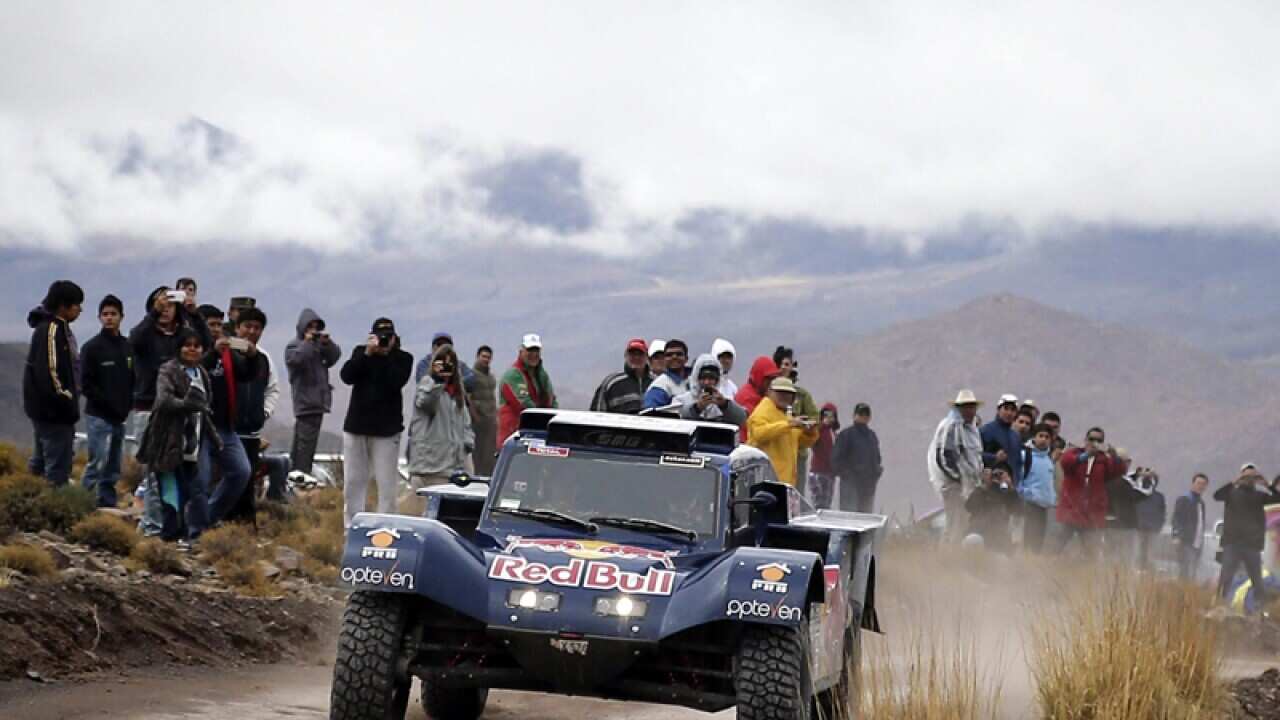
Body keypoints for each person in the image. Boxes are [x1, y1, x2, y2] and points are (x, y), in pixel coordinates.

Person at [129, 286, 213, 535]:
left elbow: (205, 343)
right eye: (161, 305)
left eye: (170, 305)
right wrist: (153, 314)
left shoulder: (181, 336)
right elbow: (134, 341)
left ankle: (170, 526)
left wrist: (194, 314)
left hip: (180, 413)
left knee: (177, 474)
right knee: (154, 472)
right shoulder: (147, 333)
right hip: (149, 407)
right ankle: (153, 527)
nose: (166, 310)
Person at [340, 318, 414, 527]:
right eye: (380, 336)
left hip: (386, 430)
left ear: (394, 338)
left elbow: (395, 382)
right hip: (357, 427)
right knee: (353, 482)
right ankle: (352, 527)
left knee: (387, 484)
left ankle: (386, 528)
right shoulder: (361, 353)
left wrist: (386, 355)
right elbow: (347, 376)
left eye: (388, 337)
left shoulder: (403, 359)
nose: (384, 340)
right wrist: (367, 354)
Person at [196, 305, 262, 527]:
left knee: (241, 472)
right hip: (200, 426)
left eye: (219, 324)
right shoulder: (192, 347)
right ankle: (193, 526)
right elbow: (194, 373)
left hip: (225, 426)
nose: (216, 329)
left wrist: (252, 357)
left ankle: (209, 517)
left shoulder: (227, 352)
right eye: (211, 324)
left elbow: (246, 374)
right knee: (202, 478)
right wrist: (212, 353)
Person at [23, 280, 84, 487]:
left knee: (41, 463)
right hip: (54, 412)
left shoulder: (56, 329)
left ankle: (31, 498)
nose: (79, 310)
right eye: (76, 305)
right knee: (57, 468)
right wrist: (66, 396)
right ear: (63, 306)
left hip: (48, 411)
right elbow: (50, 371)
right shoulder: (51, 330)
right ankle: (52, 502)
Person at [79, 294, 135, 507]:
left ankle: (106, 500)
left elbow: (133, 378)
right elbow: (86, 384)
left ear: (121, 316)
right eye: (105, 314)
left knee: (113, 463)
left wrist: (127, 405)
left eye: (113, 314)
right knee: (98, 460)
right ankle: (82, 501)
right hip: (98, 416)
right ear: (99, 317)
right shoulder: (91, 348)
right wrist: (107, 405)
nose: (109, 318)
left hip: (120, 416)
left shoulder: (127, 347)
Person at [232, 307, 280, 516]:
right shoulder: (225, 354)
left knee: (248, 479)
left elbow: (273, 389)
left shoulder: (264, 358)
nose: (252, 331)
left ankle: (245, 521)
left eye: (257, 327)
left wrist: (264, 413)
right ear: (237, 327)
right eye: (247, 326)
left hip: (252, 431)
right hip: (227, 430)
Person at [284, 308, 342, 476]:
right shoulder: (295, 346)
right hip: (305, 402)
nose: (313, 330)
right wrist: (308, 342)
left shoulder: (318, 347)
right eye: (310, 326)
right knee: (305, 446)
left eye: (316, 327)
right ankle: (301, 474)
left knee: (303, 444)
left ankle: (295, 473)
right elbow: (296, 361)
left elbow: (334, 358)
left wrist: (327, 343)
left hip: (317, 402)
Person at [1214, 464, 1280, 612]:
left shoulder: (1260, 496)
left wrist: (1267, 484)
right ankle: (1219, 604)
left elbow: (1278, 499)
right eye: (1246, 476)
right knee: (1226, 576)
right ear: (1241, 476)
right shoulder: (1231, 493)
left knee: (1257, 580)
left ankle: (1259, 609)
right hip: (1232, 542)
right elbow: (1217, 496)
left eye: (1252, 476)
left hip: (1252, 544)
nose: (1249, 479)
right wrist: (1235, 481)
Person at [408, 344, 475, 488]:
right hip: (428, 468)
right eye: (442, 363)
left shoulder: (458, 394)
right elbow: (426, 402)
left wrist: (467, 445)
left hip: (453, 469)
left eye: (450, 364)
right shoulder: (427, 384)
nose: (446, 368)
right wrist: (437, 380)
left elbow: (466, 424)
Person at [1050, 427, 1123, 557]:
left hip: (1091, 513)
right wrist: (1085, 456)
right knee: (1056, 545)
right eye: (1091, 439)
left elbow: (1118, 471)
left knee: (1091, 551)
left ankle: (1087, 569)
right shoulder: (1074, 453)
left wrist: (1114, 457)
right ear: (1085, 440)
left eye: (1099, 440)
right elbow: (1066, 463)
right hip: (1071, 509)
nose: (1094, 443)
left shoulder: (1104, 460)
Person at [926, 390, 985, 544]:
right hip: (953, 485)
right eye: (966, 407)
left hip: (968, 485)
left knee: (962, 522)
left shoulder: (971, 429)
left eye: (972, 407)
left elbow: (974, 457)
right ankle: (949, 553)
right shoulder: (950, 427)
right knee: (955, 522)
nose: (970, 411)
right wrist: (957, 479)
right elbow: (943, 456)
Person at [745, 377, 818, 487]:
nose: (784, 396)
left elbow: (802, 442)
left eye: (788, 393)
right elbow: (759, 434)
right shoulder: (763, 411)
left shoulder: (785, 415)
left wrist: (810, 431)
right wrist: (789, 424)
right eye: (780, 392)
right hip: (766, 480)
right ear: (770, 392)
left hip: (784, 482)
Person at [774, 347, 819, 497]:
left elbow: (815, 419)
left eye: (788, 364)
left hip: (797, 452)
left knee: (796, 495)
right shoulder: (769, 392)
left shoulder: (802, 395)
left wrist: (802, 427)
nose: (784, 368)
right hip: (775, 449)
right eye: (781, 364)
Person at [497, 334, 557, 444]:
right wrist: (545, 421)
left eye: (536, 350)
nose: (533, 354)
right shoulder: (513, 375)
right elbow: (524, 405)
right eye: (530, 350)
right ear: (521, 352)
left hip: (537, 435)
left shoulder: (541, 375)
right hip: (514, 437)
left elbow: (551, 400)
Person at [833, 403, 883, 514]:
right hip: (850, 485)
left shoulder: (872, 436)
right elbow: (836, 459)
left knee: (866, 517)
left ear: (869, 418)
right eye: (860, 414)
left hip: (868, 486)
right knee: (849, 516)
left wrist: (877, 472)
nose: (863, 417)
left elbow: (877, 458)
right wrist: (847, 475)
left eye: (866, 415)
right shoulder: (846, 435)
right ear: (854, 415)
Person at [675, 354, 747, 426]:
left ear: (717, 380)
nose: (707, 382)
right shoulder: (682, 400)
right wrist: (697, 408)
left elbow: (742, 419)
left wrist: (724, 405)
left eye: (711, 378)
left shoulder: (726, 399)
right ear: (696, 378)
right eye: (703, 378)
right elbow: (674, 419)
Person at [1017, 423, 1057, 553]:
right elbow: (1017, 479)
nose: (1043, 439)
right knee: (1026, 542)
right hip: (1028, 505)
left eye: (1047, 437)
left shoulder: (1048, 460)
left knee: (1037, 545)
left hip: (1043, 507)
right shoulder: (1025, 456)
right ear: (1034, 437)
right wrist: (1027, 493)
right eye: (1041, 435)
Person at [590, 338, 653, 414]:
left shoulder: (656, 383)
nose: (636, 357)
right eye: (632, 354)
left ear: (647, 357)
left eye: (640, 354)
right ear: (626, 356)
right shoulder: (611, 383)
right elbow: (597, 413)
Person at [966, 463, 1018, 552]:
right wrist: (985, 485)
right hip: (979, 532)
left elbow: (1017, 508)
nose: (997, 477)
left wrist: (1010, 487)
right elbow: (969, 506)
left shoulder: (1005, 491)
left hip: (999, 536)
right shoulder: (981, 490)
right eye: (994, 474)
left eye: (1001, 474)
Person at [1171, 473, 1209, 581]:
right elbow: (1176, 518)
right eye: (1198, 483)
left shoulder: (1201, 503)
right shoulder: (1184, 499)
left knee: (1193, 571)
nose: (1200, 486)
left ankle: (1189, 589)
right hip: (1185, 540)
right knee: (1185, 570)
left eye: (1203, 484)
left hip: (1197, 542)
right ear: (1193, 484)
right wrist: (1176, 535)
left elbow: (1201, 523)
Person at [734, 356, 781, 441]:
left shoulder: (764, 396)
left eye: (773, 379)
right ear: (759, 377)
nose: (771, 383)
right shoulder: (745, 397)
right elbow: (757, 426)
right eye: (768, 379)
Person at [981, 394, 1025, 485]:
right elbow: (975, 456)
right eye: (1006, 408)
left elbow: (1018, 464)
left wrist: (1016, 484)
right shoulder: (986, 430)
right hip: (991, 485)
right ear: (998, 410)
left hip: (1011, 487)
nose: (1009, 413)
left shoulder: (1015, 437)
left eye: (1012, 410)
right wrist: (994, 458)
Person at [469, 346, 499, 476]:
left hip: (490, 421)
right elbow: (467, 397)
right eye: (484, 356)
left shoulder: (491, 377)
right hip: (477, 422)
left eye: (488, 357)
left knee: (489, 455)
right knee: (477, 455)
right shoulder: (471, 375)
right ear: (478, 357)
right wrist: (475, 414)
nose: (486, 359)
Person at [807, 404, 840, 509]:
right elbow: (810, 439)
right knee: (819, 504)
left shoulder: (834, 433)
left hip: (830, 473)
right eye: (826, 415)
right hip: (818, 471)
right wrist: (821, 425)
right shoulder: (818, 430)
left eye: (831, 415)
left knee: (827, 504)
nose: (829, 418)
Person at [643, 339, 690, 409]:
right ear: (664, 359)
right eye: (669, 355)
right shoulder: (658, 387)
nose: (674, 357)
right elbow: (650, 414)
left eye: (679, 354)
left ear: (686, 358)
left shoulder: (697, 379)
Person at [1133, 469, 1166, 569]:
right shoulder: (1136, 493)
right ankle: (1136, 570)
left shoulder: (1159, 497)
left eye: (1151, 479)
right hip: (1137, 529)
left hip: (1152, 530)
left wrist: (1158, 527)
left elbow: (1162, 514)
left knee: (1150, 555)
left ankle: (1148, 571)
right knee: (1136, 553)